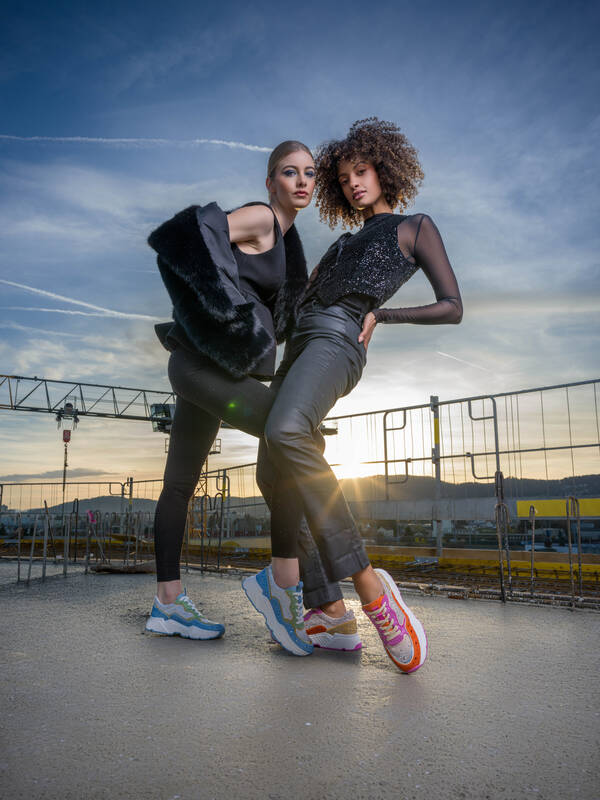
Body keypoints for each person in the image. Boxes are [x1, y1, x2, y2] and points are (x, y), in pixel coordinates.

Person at [243, 118, 463, 673]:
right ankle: (329, 611)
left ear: (384, 169)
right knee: (273, 470)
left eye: (360, 171)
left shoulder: (413, 228)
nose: (352, 184)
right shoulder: (341, 241)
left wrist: (381, 312)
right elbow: (295, 302)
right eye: (342, 178)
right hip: (300, 341)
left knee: (287, 430)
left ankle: (371, 590)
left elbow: (451, 305)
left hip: (341, 336)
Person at [144, 141, 316, 643]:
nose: (301, 181)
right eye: (289, 172)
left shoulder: (287, 241)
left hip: (205, 369)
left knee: (178, 486)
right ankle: (282, 586)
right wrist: (221, 316)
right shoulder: (263, 218)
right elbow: (190, 234)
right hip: (203, 366)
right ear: (271, 182)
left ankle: (167, 605)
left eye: (309, 173)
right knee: (292, 437)